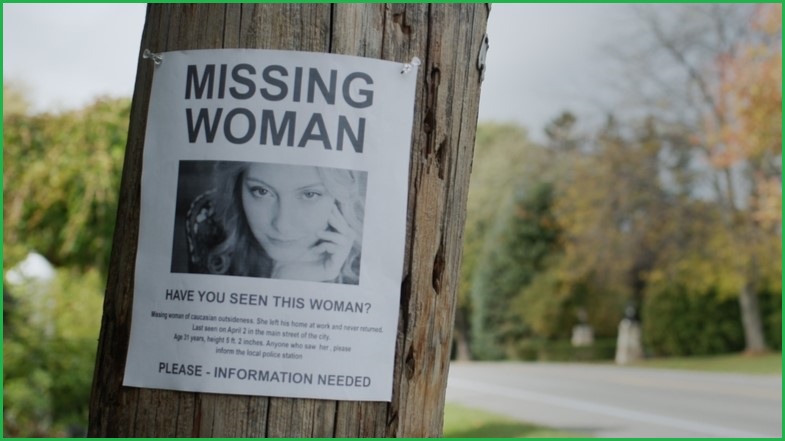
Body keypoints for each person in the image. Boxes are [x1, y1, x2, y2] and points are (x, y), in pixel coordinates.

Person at [185, 161, 365, 284]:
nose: (282, 225)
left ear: (339, 197)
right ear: (237, 187)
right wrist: (281, 281)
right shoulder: (210, 220)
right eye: (262, 191)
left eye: (309, 194)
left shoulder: (369, 270)